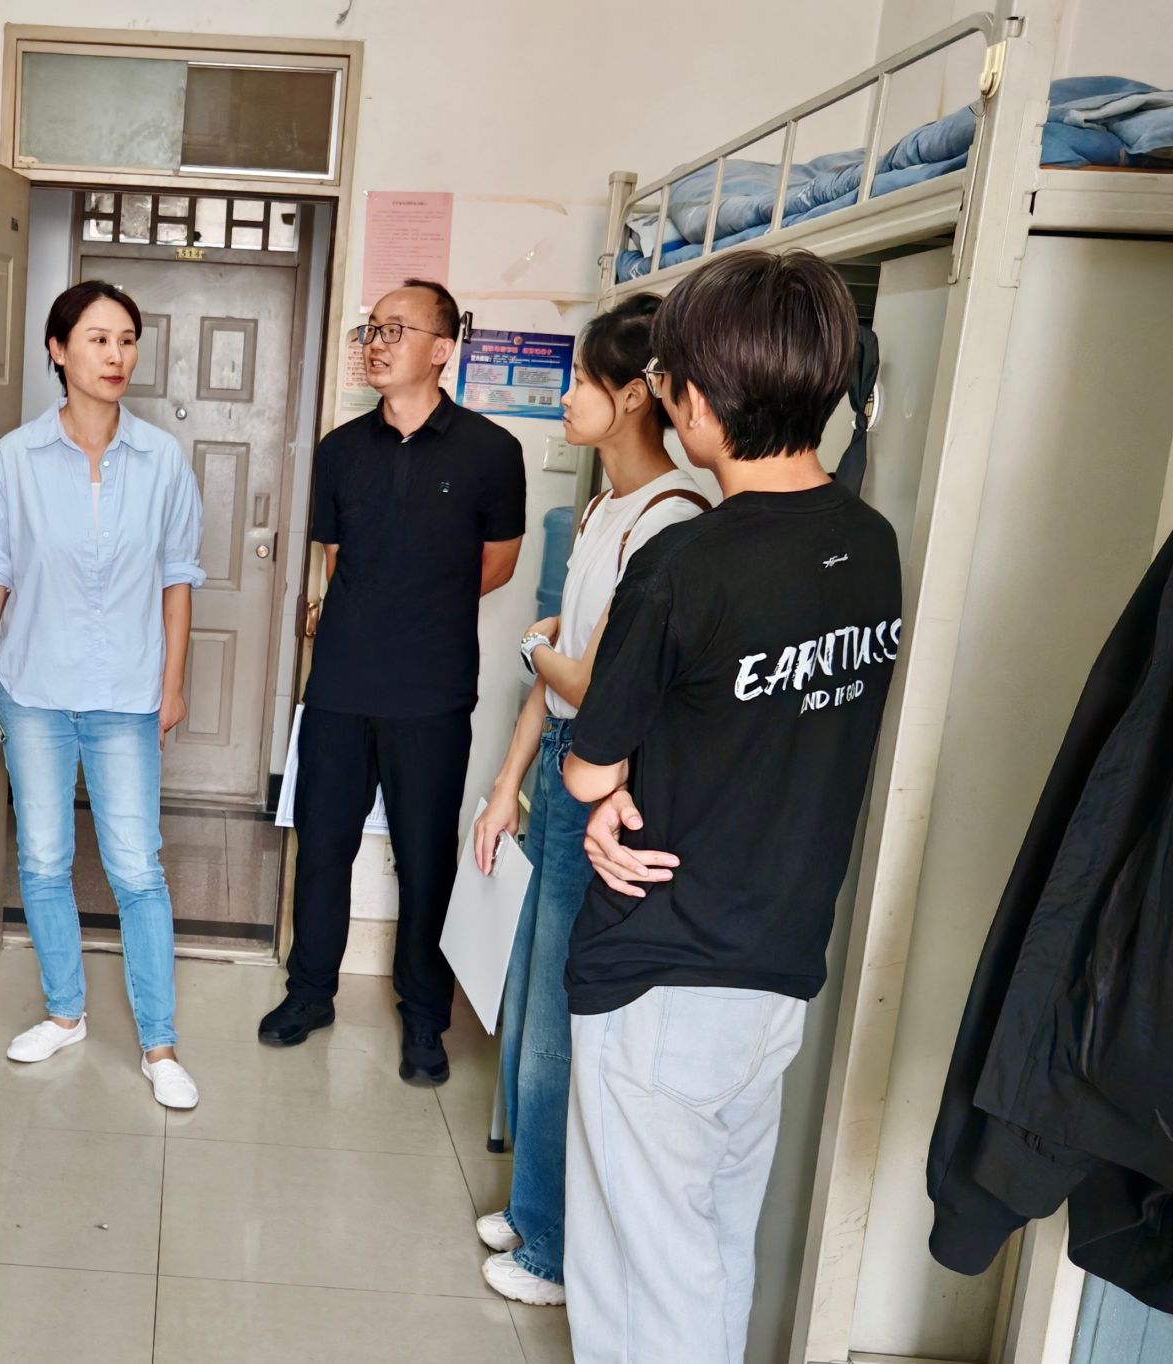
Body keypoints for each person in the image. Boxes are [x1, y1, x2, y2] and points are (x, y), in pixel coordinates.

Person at [559, 248, 902, 1364]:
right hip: (777, 965)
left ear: (699, 400)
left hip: (664, 963)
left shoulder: (685, 562)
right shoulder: (869, 544)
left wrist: (607, 795)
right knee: (713, 1244)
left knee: (646, 1276)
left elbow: (587, 768)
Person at [468, 295, 709, 1308]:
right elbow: (556, 672)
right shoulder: (605, 507)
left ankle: (552, 1251)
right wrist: (504, 786)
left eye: (581, 382)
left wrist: (542, 651)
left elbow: (591, 680)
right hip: (563, 766)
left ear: (634, 396)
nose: (565, 398)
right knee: (530, 1001)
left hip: (606, 777)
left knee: (560, 1023)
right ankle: (532, 1206)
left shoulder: (670, 519)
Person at [258, 278, 526, 1085]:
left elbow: (498, 564)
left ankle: (423, 1018)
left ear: (442, 349)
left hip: (432, 690)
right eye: (370, 330)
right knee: (323, 846)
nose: (375, 344)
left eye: (394, 330)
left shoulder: (491, 451)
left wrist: (420, 605)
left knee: (424, 857)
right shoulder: (342, 450)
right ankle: (311, 992)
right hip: (340, 684)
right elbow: (338, 561)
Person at [0, 281, 206, 1110]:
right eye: (97, 339)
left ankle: (159, 1044)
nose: (116, 355)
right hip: (34, 691)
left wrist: (171, 686)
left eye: (126, 339)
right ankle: (65, 1013)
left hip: (127, 693)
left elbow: (177, 581)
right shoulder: (16, 460)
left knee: (136, 868)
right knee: (43, 859)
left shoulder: (161, 459)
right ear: (58, 351)